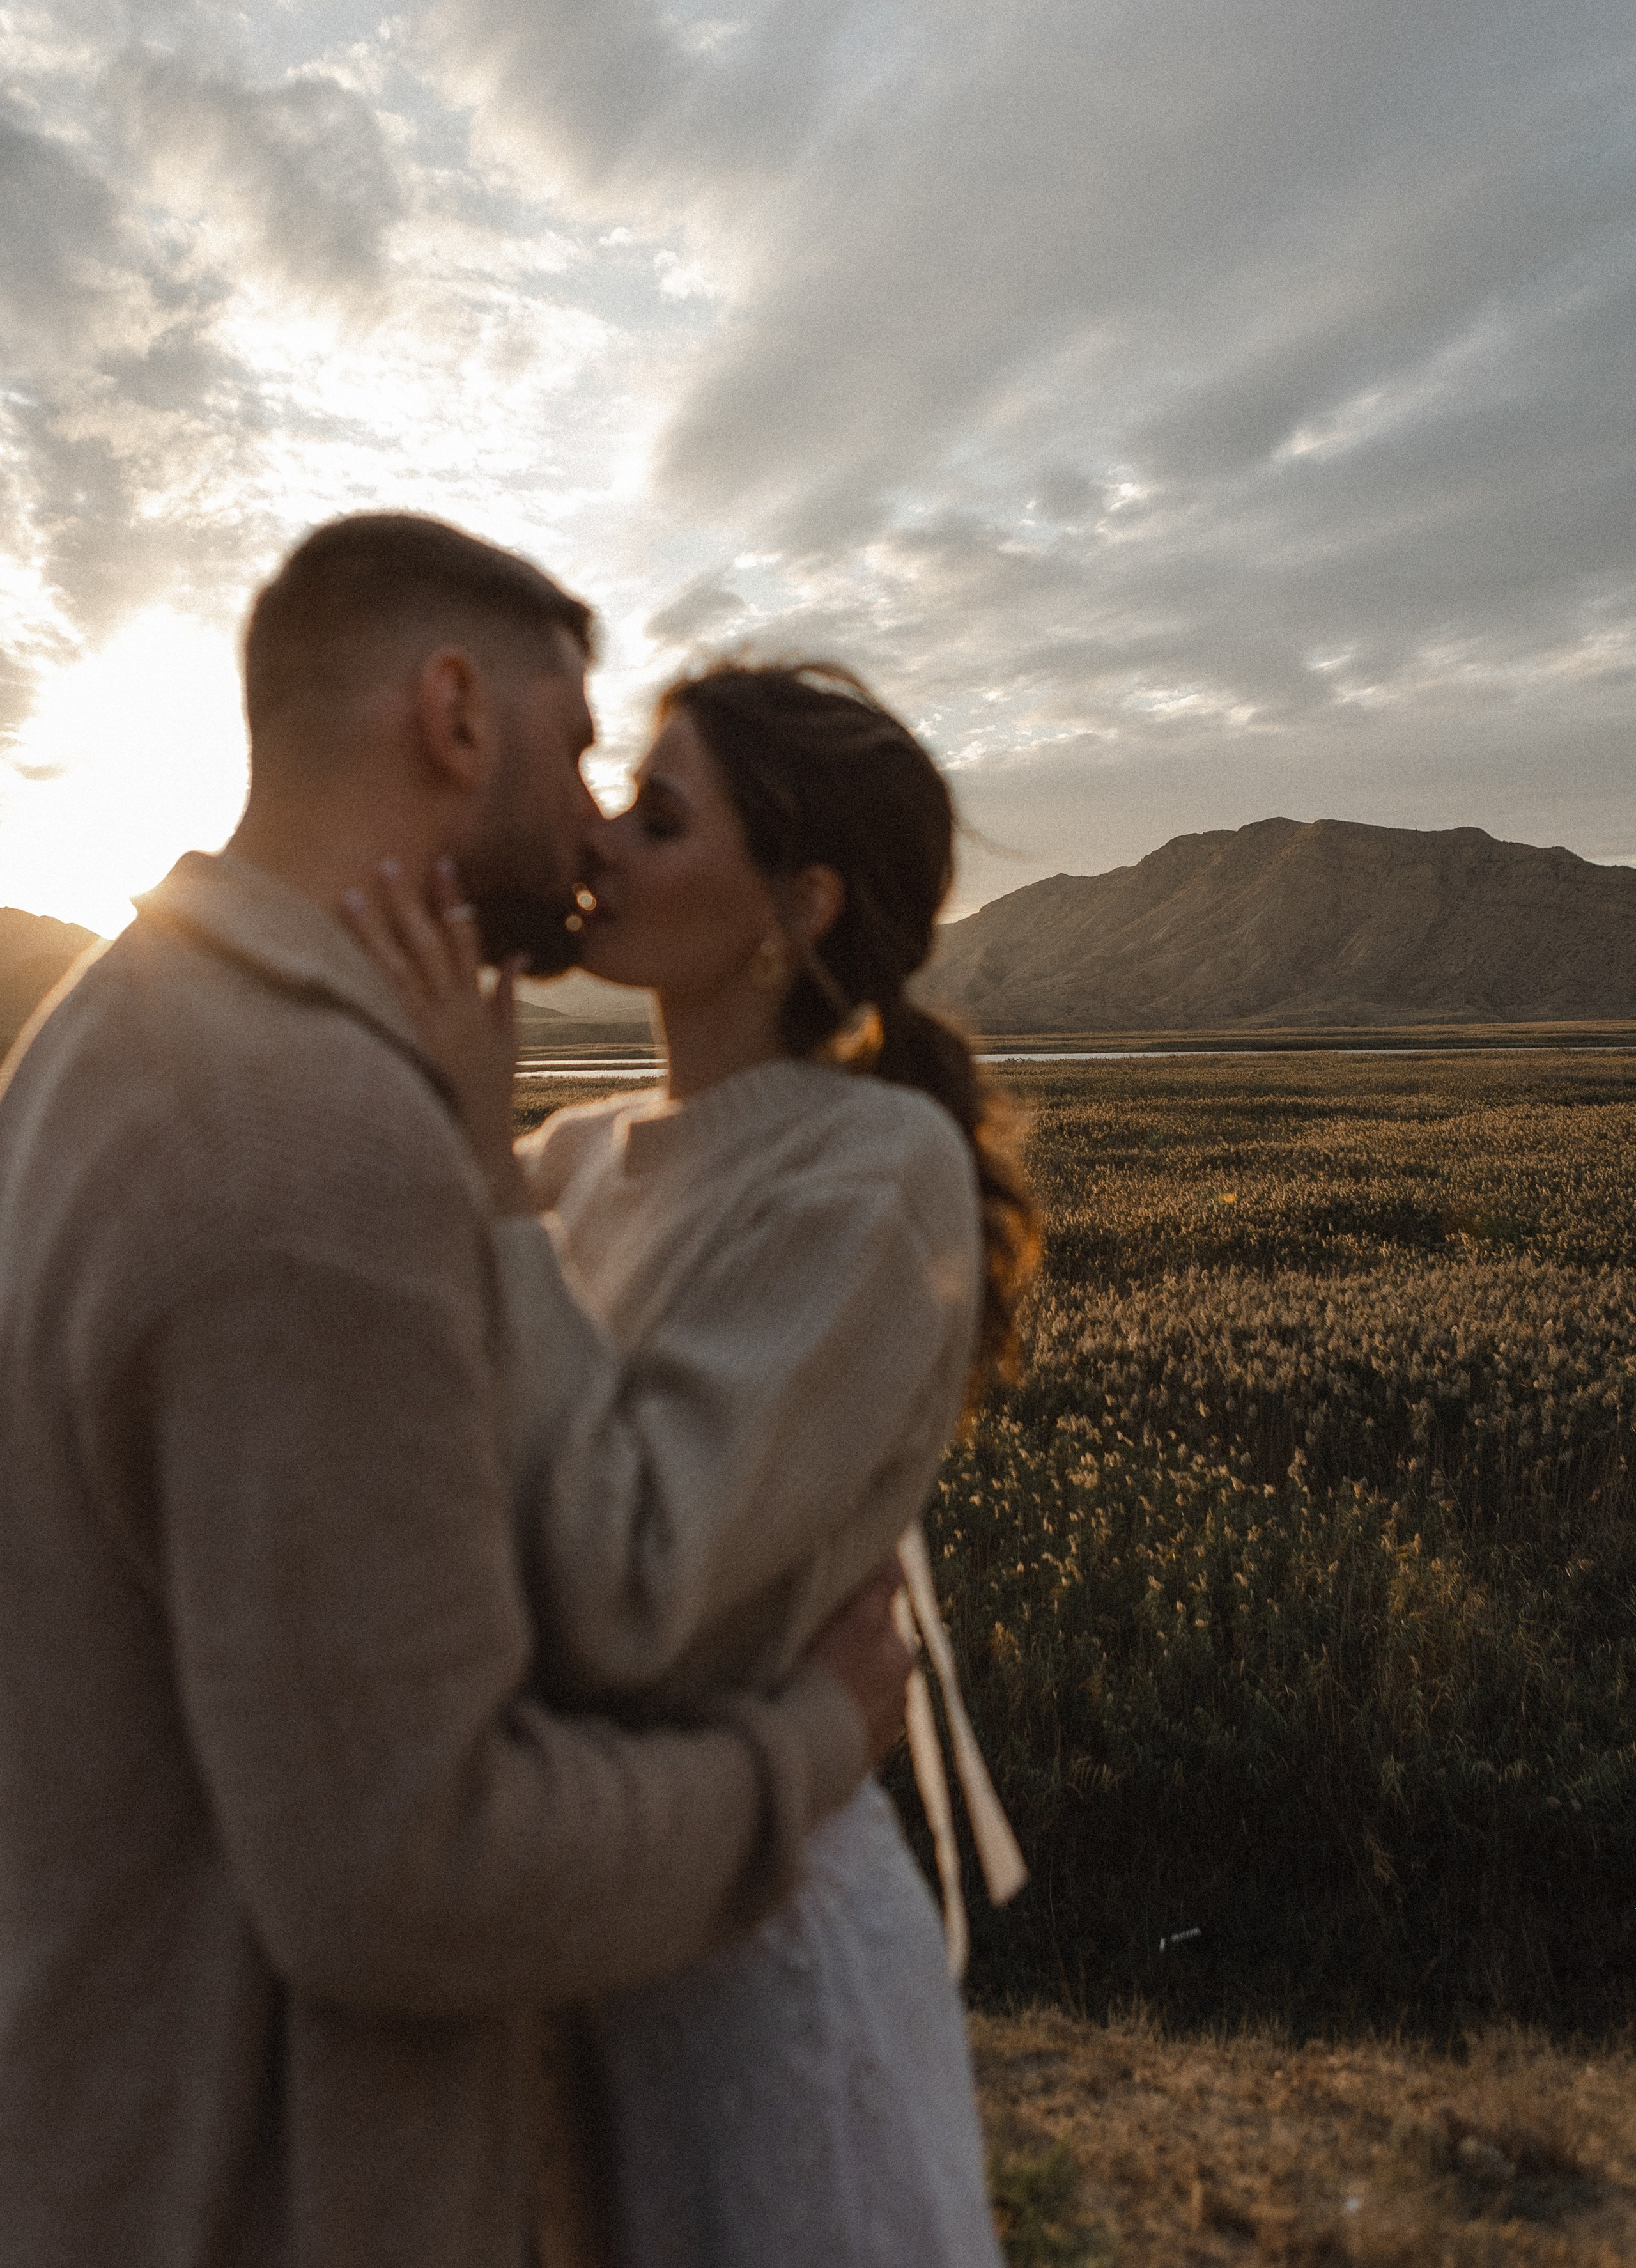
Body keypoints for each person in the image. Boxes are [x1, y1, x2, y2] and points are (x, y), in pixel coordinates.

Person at [0, 517, 915, 2268]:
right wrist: (804, 1746)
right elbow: (413, 1872)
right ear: (452, 715)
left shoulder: (109, 1039)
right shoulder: (312, 1145)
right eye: (578, 749)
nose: (590, 821)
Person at [349, 658, 1040, 2267]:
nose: (597, 840)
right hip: (601, 1934)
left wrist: (478, 1172)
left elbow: (626, 1591)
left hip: (768, 1980)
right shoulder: (576, 1153)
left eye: (657, 818)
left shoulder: (876, 1174)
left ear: (794, 906)